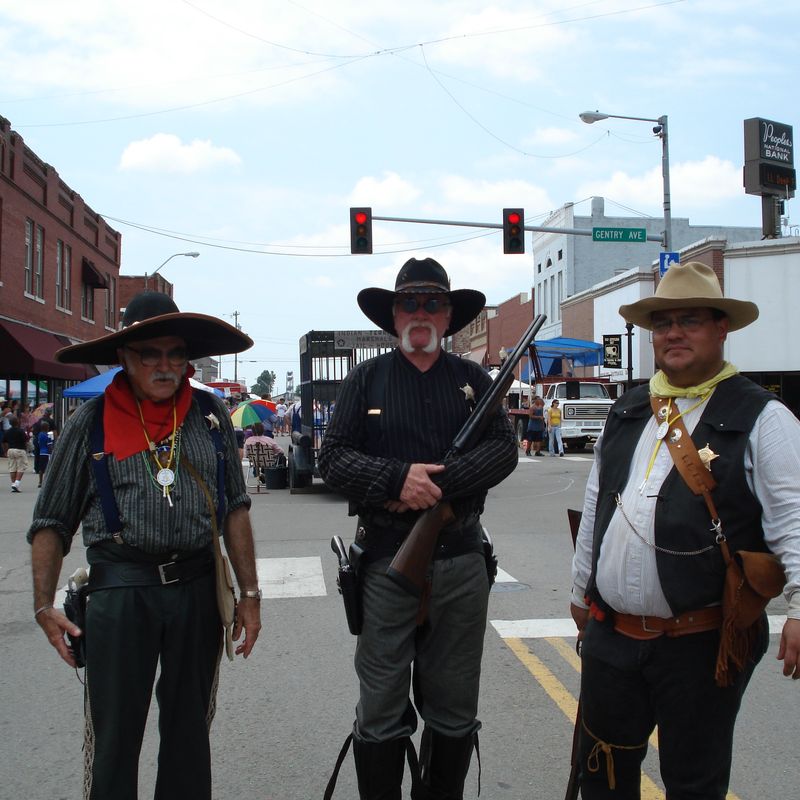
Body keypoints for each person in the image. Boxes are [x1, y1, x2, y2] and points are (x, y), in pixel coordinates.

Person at [570, 261, 800, 799]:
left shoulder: (764, 417)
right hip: (611, 634)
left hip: (703, 643)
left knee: (693, 782)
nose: (673, 333)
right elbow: (597, 510)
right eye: (663, 322)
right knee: (601, 774)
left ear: (722, 329)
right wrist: (581, 593)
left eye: (690, 320)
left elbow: (794, 516)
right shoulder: (628, 410)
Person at [27, 291, 262, 800]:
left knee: (188, 732)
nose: (165, 365)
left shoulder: (210, 414)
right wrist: (43, 605)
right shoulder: (88, 423)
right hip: (120, 592)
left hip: (196, 589)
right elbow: (50, 521)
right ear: (124, 359)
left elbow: (234, 509)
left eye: (175, 354)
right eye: (149, 354)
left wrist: (250, 594)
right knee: (116, 738)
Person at [318, 257, 518, 799]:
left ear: (450, 315)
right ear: (394, 315)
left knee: (454, 708)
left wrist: (445, 482)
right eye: (410, 302)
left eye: (433, 302)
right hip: (386, 560)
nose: (421, 312)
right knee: (381, 706)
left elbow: (504, 449)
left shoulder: (474, 379)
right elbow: (332, 458)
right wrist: (397, 479)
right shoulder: (366, 379)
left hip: (460, 558)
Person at [4, 415, 29, 492]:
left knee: (12, 467)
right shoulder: (21, 431)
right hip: (19, 450)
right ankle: (16, 483)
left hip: (10, 450)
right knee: (21, 467)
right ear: (17, 422)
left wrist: (6, 450)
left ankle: (13, 484)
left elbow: (4, 442)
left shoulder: (8, 431)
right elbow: (26, 440)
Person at [35, 420, 52, 487]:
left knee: (41, 469)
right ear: (47, 428)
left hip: (41, 453)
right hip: (46, 454)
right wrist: (51, 451)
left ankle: (40, 482)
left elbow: (38, 443)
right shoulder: (48, 436)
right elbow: (49, 446)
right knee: (47, 468)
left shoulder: (39, 435)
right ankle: (46, 482)